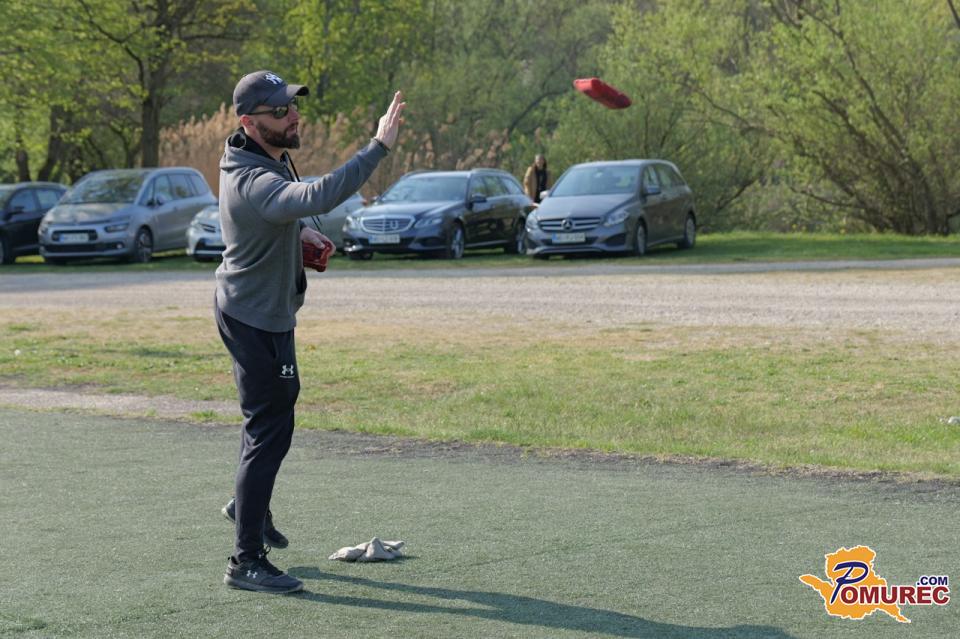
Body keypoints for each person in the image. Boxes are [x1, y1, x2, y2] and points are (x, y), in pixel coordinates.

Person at [215, 70, 404, 594]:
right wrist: (378, 147)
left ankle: (247, 505)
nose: (293, 115)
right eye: (279, 111)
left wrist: (298, 233)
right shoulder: (253, 179)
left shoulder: (264, 157)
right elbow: (317, 194)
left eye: (293, 106)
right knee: (270, 429)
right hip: (254, 317)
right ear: (249, 122)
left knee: (272, 422)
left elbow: (284, 211)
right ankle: (245, 561)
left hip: (262, 311)